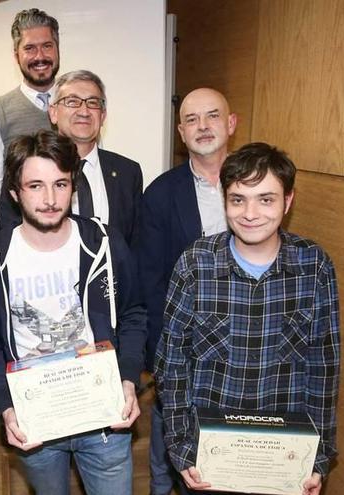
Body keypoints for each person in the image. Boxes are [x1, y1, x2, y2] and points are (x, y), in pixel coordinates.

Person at [155, 142, 340, 495]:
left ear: (288, 202)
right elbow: (172, 364)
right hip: (209, 456)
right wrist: (181, 448)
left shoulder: (313, 266)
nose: (250, 213)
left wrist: (317, 456)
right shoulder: (195, 263)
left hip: (283, 457)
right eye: (238, 199)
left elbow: (323, 368)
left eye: (266, 199)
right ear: (225, 201)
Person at [0, 130, 146, 494]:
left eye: (60, 184)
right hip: (36, 417)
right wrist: (5, 406)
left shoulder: (104, 243)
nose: (50, 199)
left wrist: (128, 377)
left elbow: (133, 314)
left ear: (73, 187)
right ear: (15, 193)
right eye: (35, 186)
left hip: (103, 413)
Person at [137, 87, 237, 494]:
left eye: (212, 116)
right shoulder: (160, 194)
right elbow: (151, 279)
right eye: (192, 120)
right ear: (181, 132)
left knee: (230, 452)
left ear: (231, 123)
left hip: (247, 342)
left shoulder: (256, 183)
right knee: (167, 451)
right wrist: (163, 354)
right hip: (186, 345)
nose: (203, 126)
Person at [0, 8, 60, 235]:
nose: (40, 56)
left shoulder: (76, 101)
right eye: (29, 48)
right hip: (19, 235)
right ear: (16, 56)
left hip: (72, 233)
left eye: (47, 46)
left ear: (57, 49)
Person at [48, 70, 143, 246]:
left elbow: (136, 245)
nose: (84, 111)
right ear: (53, 113)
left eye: (93, 103)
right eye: (72, 101)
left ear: (103, 115)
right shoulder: (30, 171)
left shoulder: (128, 173)